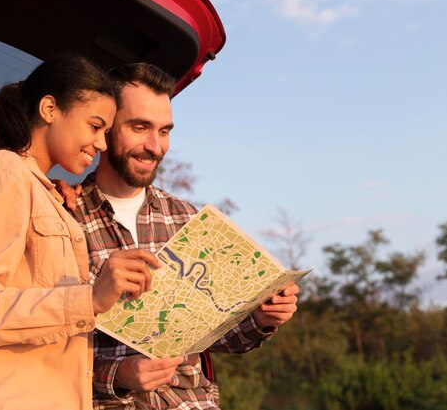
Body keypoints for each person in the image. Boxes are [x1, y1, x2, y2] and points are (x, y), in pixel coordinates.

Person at [0, 55, 157, 410]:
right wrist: (89, 299)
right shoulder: (3, 172)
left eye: (106, 133)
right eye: (95, 126)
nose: (102, 145)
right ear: (49, 108)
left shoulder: (47, 194)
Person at [63, 63, 300, 409]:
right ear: (106, 128)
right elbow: (40, 346)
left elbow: (216, 337)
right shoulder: (63, 218)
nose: (155, 146)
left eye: (164, 131)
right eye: (140, 127)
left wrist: (262, 318)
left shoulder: (188, 220)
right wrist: (118, 375)